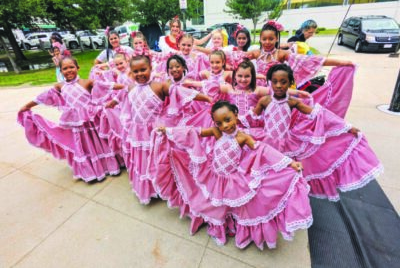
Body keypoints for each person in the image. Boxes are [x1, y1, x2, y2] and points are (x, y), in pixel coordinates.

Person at [150, 100, 312, 249]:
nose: (225, 126)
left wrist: (289, 162)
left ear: (235, 114)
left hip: (231, 179)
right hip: (213, 174)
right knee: (210, 203)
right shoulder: (216, 131)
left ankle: (228, 224)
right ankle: (215, 226)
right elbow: (194, 132)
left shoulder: (243, 137)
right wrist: (168, 131)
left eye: (227, 120)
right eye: (219, 123)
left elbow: (262, 149)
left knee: (228, 204)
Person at [249, 63, 383, 201]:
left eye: (283, 82)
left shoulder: (293, 102)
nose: (278, 86)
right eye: (275, 82)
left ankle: (282, 199)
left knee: (284, 172)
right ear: (269, 82)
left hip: (285, 144)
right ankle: (264, 200)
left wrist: (347, 127)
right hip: (267, 142)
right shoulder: (264, 100)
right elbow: (251, 118)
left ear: (290, 83)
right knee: (264, 172)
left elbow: (319, 114)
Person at [109, 53, 212, 204]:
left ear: (151, 68)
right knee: (142, 159)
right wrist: (111, 103)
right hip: (138, 131)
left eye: (143, 69)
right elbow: (120, 96)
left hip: (155, 131)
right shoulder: (130, 87)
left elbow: (181, 93)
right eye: (136, 71)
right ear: (131, 72)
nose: (140, 74)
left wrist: (206, 98)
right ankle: (148, 188)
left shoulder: (159, 86)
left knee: (157, 158)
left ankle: (161, 185)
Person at [17, 57, 123, 182]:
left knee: (99, 142)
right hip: (76, 124)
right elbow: (42, 97)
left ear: (77, 68)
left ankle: (109, 166)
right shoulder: (59, 86)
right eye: (65, 68)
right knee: (84, 145)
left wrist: (128, 86)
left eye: (71, 67)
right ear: (60, 71)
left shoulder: (86, 82)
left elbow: (107, 86)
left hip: (91, 121)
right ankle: (92, 170)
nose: (69, 70)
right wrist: (27, 106)